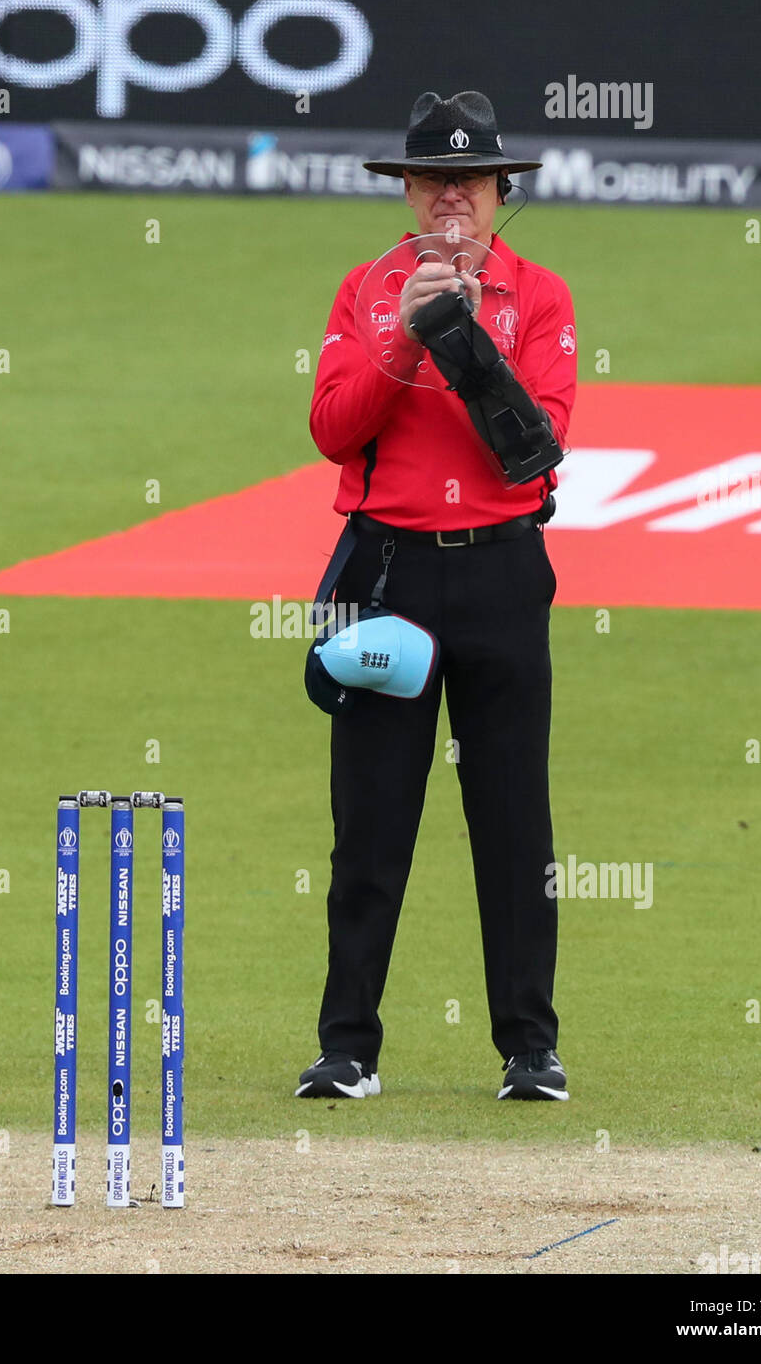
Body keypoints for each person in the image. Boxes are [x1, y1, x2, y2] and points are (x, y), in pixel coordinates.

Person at [296, 91, 577, 1103]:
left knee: (512, 820)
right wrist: (406, 338)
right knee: (369, 820)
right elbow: (332, 428)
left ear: (501, 191)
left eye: (468, 179)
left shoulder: (539, 297)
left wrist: (459, 335)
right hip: (388, 578)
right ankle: (346, 1048)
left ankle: (527, 1048)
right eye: (430, 178)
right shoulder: (363, 293)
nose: (449, 194)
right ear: (406, 191)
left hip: (501, 572)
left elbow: (529, 452)